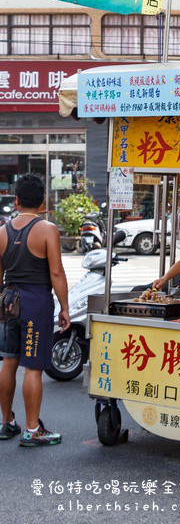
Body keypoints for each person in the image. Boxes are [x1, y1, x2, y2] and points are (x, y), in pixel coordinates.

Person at [0, 174, 70, 446]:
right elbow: (56, 272)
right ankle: (32, 429)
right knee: (32, 368)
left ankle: (6, 422)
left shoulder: (2, 231)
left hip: (8, 302)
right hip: (35, 303)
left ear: (16, 200)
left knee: (8, 362)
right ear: (43, 202)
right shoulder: (47, 229)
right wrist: (65, 307)